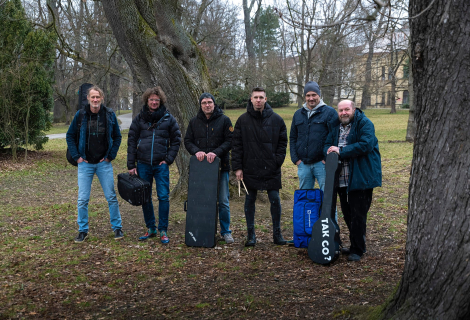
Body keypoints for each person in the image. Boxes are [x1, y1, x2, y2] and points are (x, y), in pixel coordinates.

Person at [324, 100, 382, 261]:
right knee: (347, 214)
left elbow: (366, 145)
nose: (343, 113)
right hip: (341, 177)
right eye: (341, 110)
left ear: (354, 109)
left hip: (360, 176)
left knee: (358, 214)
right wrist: (328, 152)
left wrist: (340, 151)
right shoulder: (335, 125)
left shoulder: (365, 124)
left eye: (347, 109)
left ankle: (358, 249)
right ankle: (355, 243)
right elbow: (327, 144)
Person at [231, 87, 289, 247]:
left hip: (271, 168)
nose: (258, 100)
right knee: (249, 200)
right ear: (251, 99)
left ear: (266, 99)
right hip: (249, 168)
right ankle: (251, 235)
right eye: (255, 97)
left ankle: (277, 234)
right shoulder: (242, 120)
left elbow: (283, 142)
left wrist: (277, 160)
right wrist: (237, 168)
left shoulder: (277, 120)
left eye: (261, 97)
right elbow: (236, 145)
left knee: (275, 200)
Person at [66, 85, 124, 243]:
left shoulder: (109, 115)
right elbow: (70, 136)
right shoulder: (81, 115)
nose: (95, 100)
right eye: (92, 97)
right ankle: (82, 230)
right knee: (83, 199)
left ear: (102, 98)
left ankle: (117, 228)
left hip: (103, 163)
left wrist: (110, 156)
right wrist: (77, 157)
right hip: (85, 164)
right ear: (88, 99)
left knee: (111, 197)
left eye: (98, 97)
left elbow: (117, 137)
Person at [127, 86, 181, 244]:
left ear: (161, 101)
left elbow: (176, 140)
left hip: (161, 165)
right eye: (151, 99)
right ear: (146, 100)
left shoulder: (168, 118)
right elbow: (131, 141)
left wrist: (168, 159)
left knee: (163, 196)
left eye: (157, 100)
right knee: (145, 197)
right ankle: (151, 227)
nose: (154, 102)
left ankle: (163, 230)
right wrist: (131, 164)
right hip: (143, 164)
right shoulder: (139, 118)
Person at [184, 93, 234, 244]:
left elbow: (230, 141)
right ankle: (203, 229)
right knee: (201, 201)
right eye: (204, 103)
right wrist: (196, 151)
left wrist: (216, 152)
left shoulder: (224, 120)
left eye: (210, 102)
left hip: (221, 168)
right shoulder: (194, 122)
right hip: (200, 170)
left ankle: (226, 231)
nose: (207, 105)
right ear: (200, 105)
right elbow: (187, 141)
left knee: (223, 201)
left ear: (214, 104)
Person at [290, 81, 337, 191]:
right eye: (308, 95)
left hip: (322, 164)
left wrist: (327, 159)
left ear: (319, 95)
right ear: (305, 97)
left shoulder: (330, 112)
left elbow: (335, 136)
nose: (311, 98)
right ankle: (309, 210)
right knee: (305, 198)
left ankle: (328, 210)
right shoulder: (298, 114)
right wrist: (296, 159)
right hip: (303, 164)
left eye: (314, 95)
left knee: (328, 198)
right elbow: (293, 137)